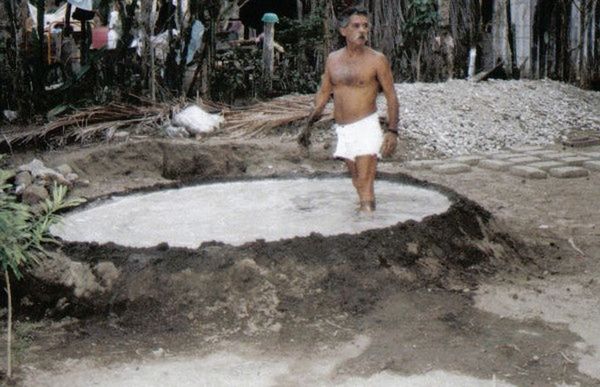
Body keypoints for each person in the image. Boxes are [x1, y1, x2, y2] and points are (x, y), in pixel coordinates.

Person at [298, 6, 399, 213]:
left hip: (366, 126)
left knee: (365, 183)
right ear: (343, 31)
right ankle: (364, 219)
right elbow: (323, 95)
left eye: (365, 26)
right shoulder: (333, 60)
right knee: (357, 182)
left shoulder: (377, 60)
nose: (362, 30)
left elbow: (391, 96)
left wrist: (392, 130)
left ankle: (368, 224)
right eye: (356, 26)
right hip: (343, 129)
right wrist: (308, 124)